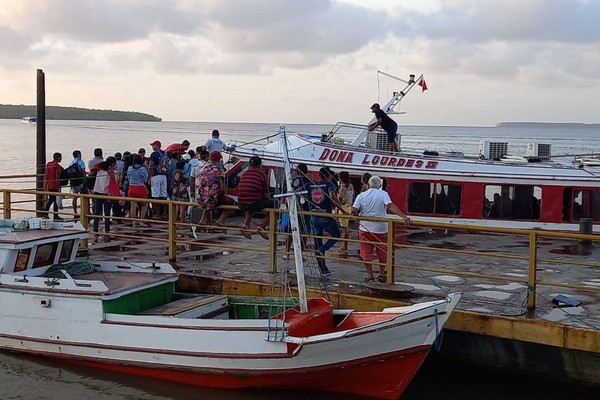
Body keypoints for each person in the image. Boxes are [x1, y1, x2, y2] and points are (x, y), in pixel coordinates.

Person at [351, 175, 412, 283]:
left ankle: (370, 276)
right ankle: (381, 273)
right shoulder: (383, 194)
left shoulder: (361, 195)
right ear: (379, 185)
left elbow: (354, 209)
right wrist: (404, 217)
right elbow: (390, 206)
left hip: (365, 229)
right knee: (383, 252)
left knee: (366, 253)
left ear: (369, 184)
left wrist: (357, 215)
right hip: (381, 229)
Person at [303, 167, 346, 275]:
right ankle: (322, 249)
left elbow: (298, 192)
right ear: (329, 176)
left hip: (313, 216)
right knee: (336, 234)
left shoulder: (310, 185)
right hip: (325, 216)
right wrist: (342, 210)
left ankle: (323, 269)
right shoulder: (329, 185)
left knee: (317, 241)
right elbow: (332, 197)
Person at [237, 155, 275, 240]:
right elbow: (265, 195)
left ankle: (246, 224)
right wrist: (269, 195)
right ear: (260, 166)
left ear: (250, 165)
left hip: (240, 203)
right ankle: (262, 226)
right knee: (275, 204)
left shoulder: (244, 174)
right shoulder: (262, 175)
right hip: (252, 204)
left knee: (252, 200)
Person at [196, 151, 234, 230]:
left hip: (200, 198)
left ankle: (203, 219)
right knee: (230, 202)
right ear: (218, 160)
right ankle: (221, 220)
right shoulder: (218, 171)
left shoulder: (203, 169)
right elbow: (222, 187)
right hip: (212, 199)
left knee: (208, 199)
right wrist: (223, 192)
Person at [92, 156, 118, 237]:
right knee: (107, 212)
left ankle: (95, 229)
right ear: (112, 164)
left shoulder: (100, 169)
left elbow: (93, 170)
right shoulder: (110, 171)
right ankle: (107, 229)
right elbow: (114, 182)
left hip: (97, 191)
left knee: (97, 212)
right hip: (106, 193)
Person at [127, 154, 149, 228]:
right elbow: (145, 179)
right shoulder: (143, 169)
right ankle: (141, 221)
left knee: (133, 205)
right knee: (145, 204)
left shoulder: (130, 168)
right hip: (140, 187)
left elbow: (128, 177)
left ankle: (134, 222)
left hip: (131, 188)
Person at [149, 140, 168, 219]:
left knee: (155, 195)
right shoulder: (165, 153)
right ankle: (165, 213)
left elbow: (151, 165)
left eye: (153, 145)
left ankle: (157, 214)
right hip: (164, 176)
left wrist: (149, 176)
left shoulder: (154, 154)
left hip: (156, 175)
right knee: (163, 195)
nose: (152, 146)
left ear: (156, 146)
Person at [337, 171, 355, 254]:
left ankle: (345, 246)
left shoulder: (343, 187)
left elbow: (340, 197)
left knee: (344, 228)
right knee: (345, 228)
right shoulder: (351, 186)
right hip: (349, 207)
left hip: (343, 207)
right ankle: (345, 245)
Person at [43, 152, 63, 220]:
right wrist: (59, 185)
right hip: (55, 185)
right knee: (55, 201)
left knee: (51, 199)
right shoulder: (57, 166)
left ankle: (46, 213)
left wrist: (45, 185)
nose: (61, 159)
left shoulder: (49, 164)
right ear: (58, 158)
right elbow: (57, 176)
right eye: (60, 157)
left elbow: (46, 175)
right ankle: (55, 215)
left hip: (49, 184)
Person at [68, 150, 86, 217]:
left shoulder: (71, 163)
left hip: (73, 182)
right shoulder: (81, 162)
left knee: (74, 197)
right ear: (78, 155)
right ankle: (83, 212)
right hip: (80, 182)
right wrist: (85, 179)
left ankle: (75, 212)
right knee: (83, 197)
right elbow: (83, 171)